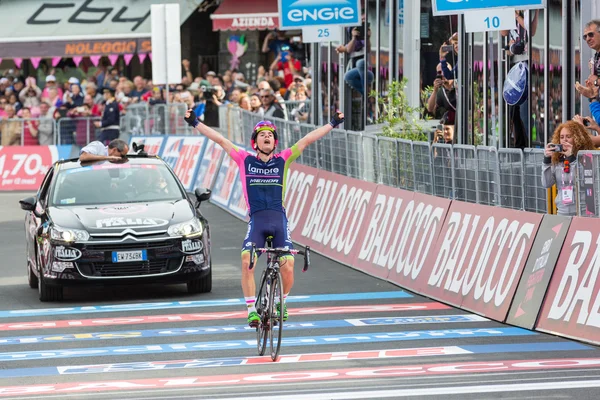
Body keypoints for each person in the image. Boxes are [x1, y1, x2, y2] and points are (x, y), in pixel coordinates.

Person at [183, 108, 345, 326]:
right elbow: (220, 140)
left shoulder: (283, 159)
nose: (267, 136)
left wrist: (333, 123)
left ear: (274, 142)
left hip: (279, 220)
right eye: (262, 134)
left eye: (270, 134)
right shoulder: (244, 159)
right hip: (257, 221)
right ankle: (251, 310)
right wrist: (195, 122)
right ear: (255, 142)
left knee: (288, 264)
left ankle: (281, 302)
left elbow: (307, 140)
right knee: (246, 260)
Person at [542, 121, 596, 216]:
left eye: (568, 136)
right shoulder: (557, 159)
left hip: (583, 213)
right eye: (562, 137)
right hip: (563, 212)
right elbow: (546, 183)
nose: (564, 140)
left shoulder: (586, 157)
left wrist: (572, 159)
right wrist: (546, 161)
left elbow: (586, 182)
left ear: (577, 139)